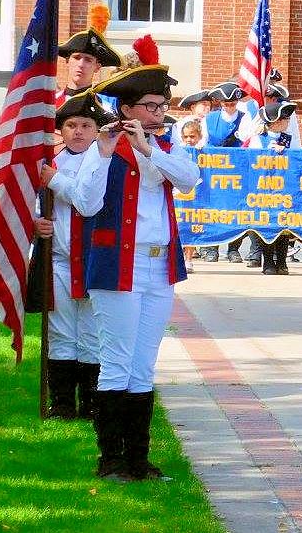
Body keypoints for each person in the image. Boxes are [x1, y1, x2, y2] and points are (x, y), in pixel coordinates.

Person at [72, 35, 199, 481]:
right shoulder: (100, 146)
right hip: (116, 265)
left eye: (162, 105)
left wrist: (151, 150)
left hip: (159, 265)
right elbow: (86, 204)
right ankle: (110, 460)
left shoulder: (167, 147)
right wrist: (105, 154)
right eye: (149, 105)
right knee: (118, 359)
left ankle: (138, 460)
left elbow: (189, 180)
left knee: (144, 363)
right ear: (126, 109)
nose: (158, 113)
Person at [33, 91, 115, 419]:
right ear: (61, 131)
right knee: (61, 330)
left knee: (92, 332)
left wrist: (56, 181)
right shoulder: (49, 163)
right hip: (60, 259)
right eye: (70, 125)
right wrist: (35, 223)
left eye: (85, 124)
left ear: (97, 130)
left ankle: (92, 402)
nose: (78, 131)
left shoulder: (106, 162)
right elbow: (30, 204)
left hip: (94, 260)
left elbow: (87, 200)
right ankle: (63, 402)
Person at [245, 100, 298, 275]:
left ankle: (282, 261)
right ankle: (268, 261)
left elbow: (298, 160)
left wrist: (287, 152)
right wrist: (270, 152)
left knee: (284, 225)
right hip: (263, 189)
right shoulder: (258, 139)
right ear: (274, 120)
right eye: (285, 117)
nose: (288, 121)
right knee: (266, 225)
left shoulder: (289, 140)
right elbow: (252, 162)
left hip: (284, 189)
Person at [203, 81, 247, 263]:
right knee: (213, 209)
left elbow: (247, 142)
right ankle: (211, 248)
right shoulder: (209, 119)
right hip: (214, 170)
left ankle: (233, 249)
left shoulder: (245, 118)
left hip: (237, 171)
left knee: (235, 209)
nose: (229, 107)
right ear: (220, 103)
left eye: (232, 104)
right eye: (226, 104)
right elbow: (203, 142)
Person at [55, 5, 121, 108]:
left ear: (97, 67)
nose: (81, 64)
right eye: (76, 58)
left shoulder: (107, 107)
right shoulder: (49, 104)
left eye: (88, 60)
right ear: (67, 61)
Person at [179, 119, 204, 273]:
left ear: (199, 137)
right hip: (179, 197)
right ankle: (179, 258)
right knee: (179, 227)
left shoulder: (205, 150)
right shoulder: (178, 150)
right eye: (186, 137)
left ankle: (189, 259)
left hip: (197, 197)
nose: (189, 140)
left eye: (192, 136)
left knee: (192, 227)